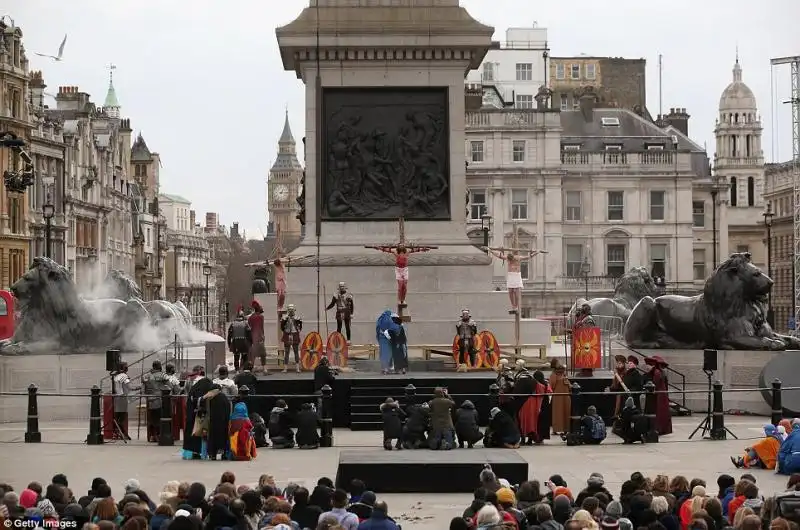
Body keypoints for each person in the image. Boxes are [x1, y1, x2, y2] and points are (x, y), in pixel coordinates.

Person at [183, 370, 214, 459]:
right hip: (204, 415)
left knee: (193, 433)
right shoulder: (207, 385)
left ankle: (193, 451)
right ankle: (205, 452)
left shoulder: (194, 387)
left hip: (193, 414)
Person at [196, 383, 232, 460]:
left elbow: (200, 404)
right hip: (223, 423)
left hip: (212, 422)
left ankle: (213, 455)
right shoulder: (224, 397)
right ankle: (224, 454)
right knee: (223, 438)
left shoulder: (208, 398)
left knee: (212, 438)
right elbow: (228, 409)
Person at [142, 360, 169, 443]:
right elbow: (169, 386)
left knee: (151, 418)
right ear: (159, 366)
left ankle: (151, 436)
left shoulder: (146, 376)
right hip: (159, 399)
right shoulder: (163, 375)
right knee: (159, 417)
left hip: (149, 399)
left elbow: (143, 388)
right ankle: (158, 435)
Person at [645, 355, 673, 436]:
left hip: (659, 395)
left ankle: (658, 429)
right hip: (662, 394)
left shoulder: (657, 372)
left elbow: (655, 384)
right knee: (662, 412)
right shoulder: (660, 372)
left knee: (659, 412)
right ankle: (663, 429)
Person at [112, 362, 135, 440]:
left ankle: (117, 433)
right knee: (121, 418)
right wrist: (140, 387)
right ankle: (123, 433)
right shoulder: (124, 376)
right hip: (122, 398)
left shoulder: (116, 376)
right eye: (126, 366)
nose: (127, 367)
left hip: (117, 398)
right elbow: (130, 387)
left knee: (117, 417)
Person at [549, 359, 571, 435]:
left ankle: (556, 429)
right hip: (565, 397)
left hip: (557, 397)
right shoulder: (564, 376)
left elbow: (551, 386)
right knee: (565, 412)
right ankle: (566, 428)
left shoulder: (553, 375)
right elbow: (570, 386)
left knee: (557, 413)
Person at [280, 304, 303, 373]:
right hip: (287, 334)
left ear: (294, 310)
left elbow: (300, 327)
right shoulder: (284, 318)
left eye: (292, 310)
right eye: (289, 310)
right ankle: (285, 368)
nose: (291, 311)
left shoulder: (297, 318)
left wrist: (297, 325)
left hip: (295, 334)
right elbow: (282, 327)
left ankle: (297, 368)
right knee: (286, 352)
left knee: (296, 352)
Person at [376, 310, 399, 375]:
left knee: (383, 354)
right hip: (389, 339)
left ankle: (384, 369)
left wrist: (378, 337)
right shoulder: (391, 319)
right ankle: (390, 368)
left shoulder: (380, 319)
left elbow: (377, 328)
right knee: (389, 353)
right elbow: (396, 329)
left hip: (382, 339)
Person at [247, 300, 267, 372]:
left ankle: (251, 368)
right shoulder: (261, 317)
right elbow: (262, 328)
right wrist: (263, 336)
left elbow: (249, 328)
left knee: (253, 354)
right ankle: (264, 369)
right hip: (260, 337)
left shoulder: (250, 318)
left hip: (253, 337)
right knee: (263, 354)